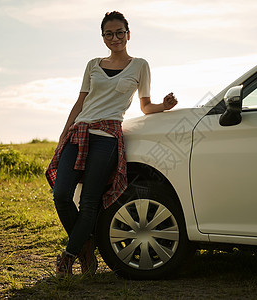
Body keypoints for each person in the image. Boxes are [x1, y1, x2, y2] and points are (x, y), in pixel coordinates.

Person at [45, 11, 177, 277]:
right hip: (79, 132)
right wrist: (64, 133)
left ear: (128, 35)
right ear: (103, 37)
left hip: (107, 138)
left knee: (90, 202)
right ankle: (85, 244)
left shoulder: (140, 65)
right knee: (61, 195)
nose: (114, 37)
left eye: (119, 32)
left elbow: (145, 105)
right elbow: (80, 101)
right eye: (109, 33)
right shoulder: (93, 64)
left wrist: (164, 106)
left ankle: (69, 256)